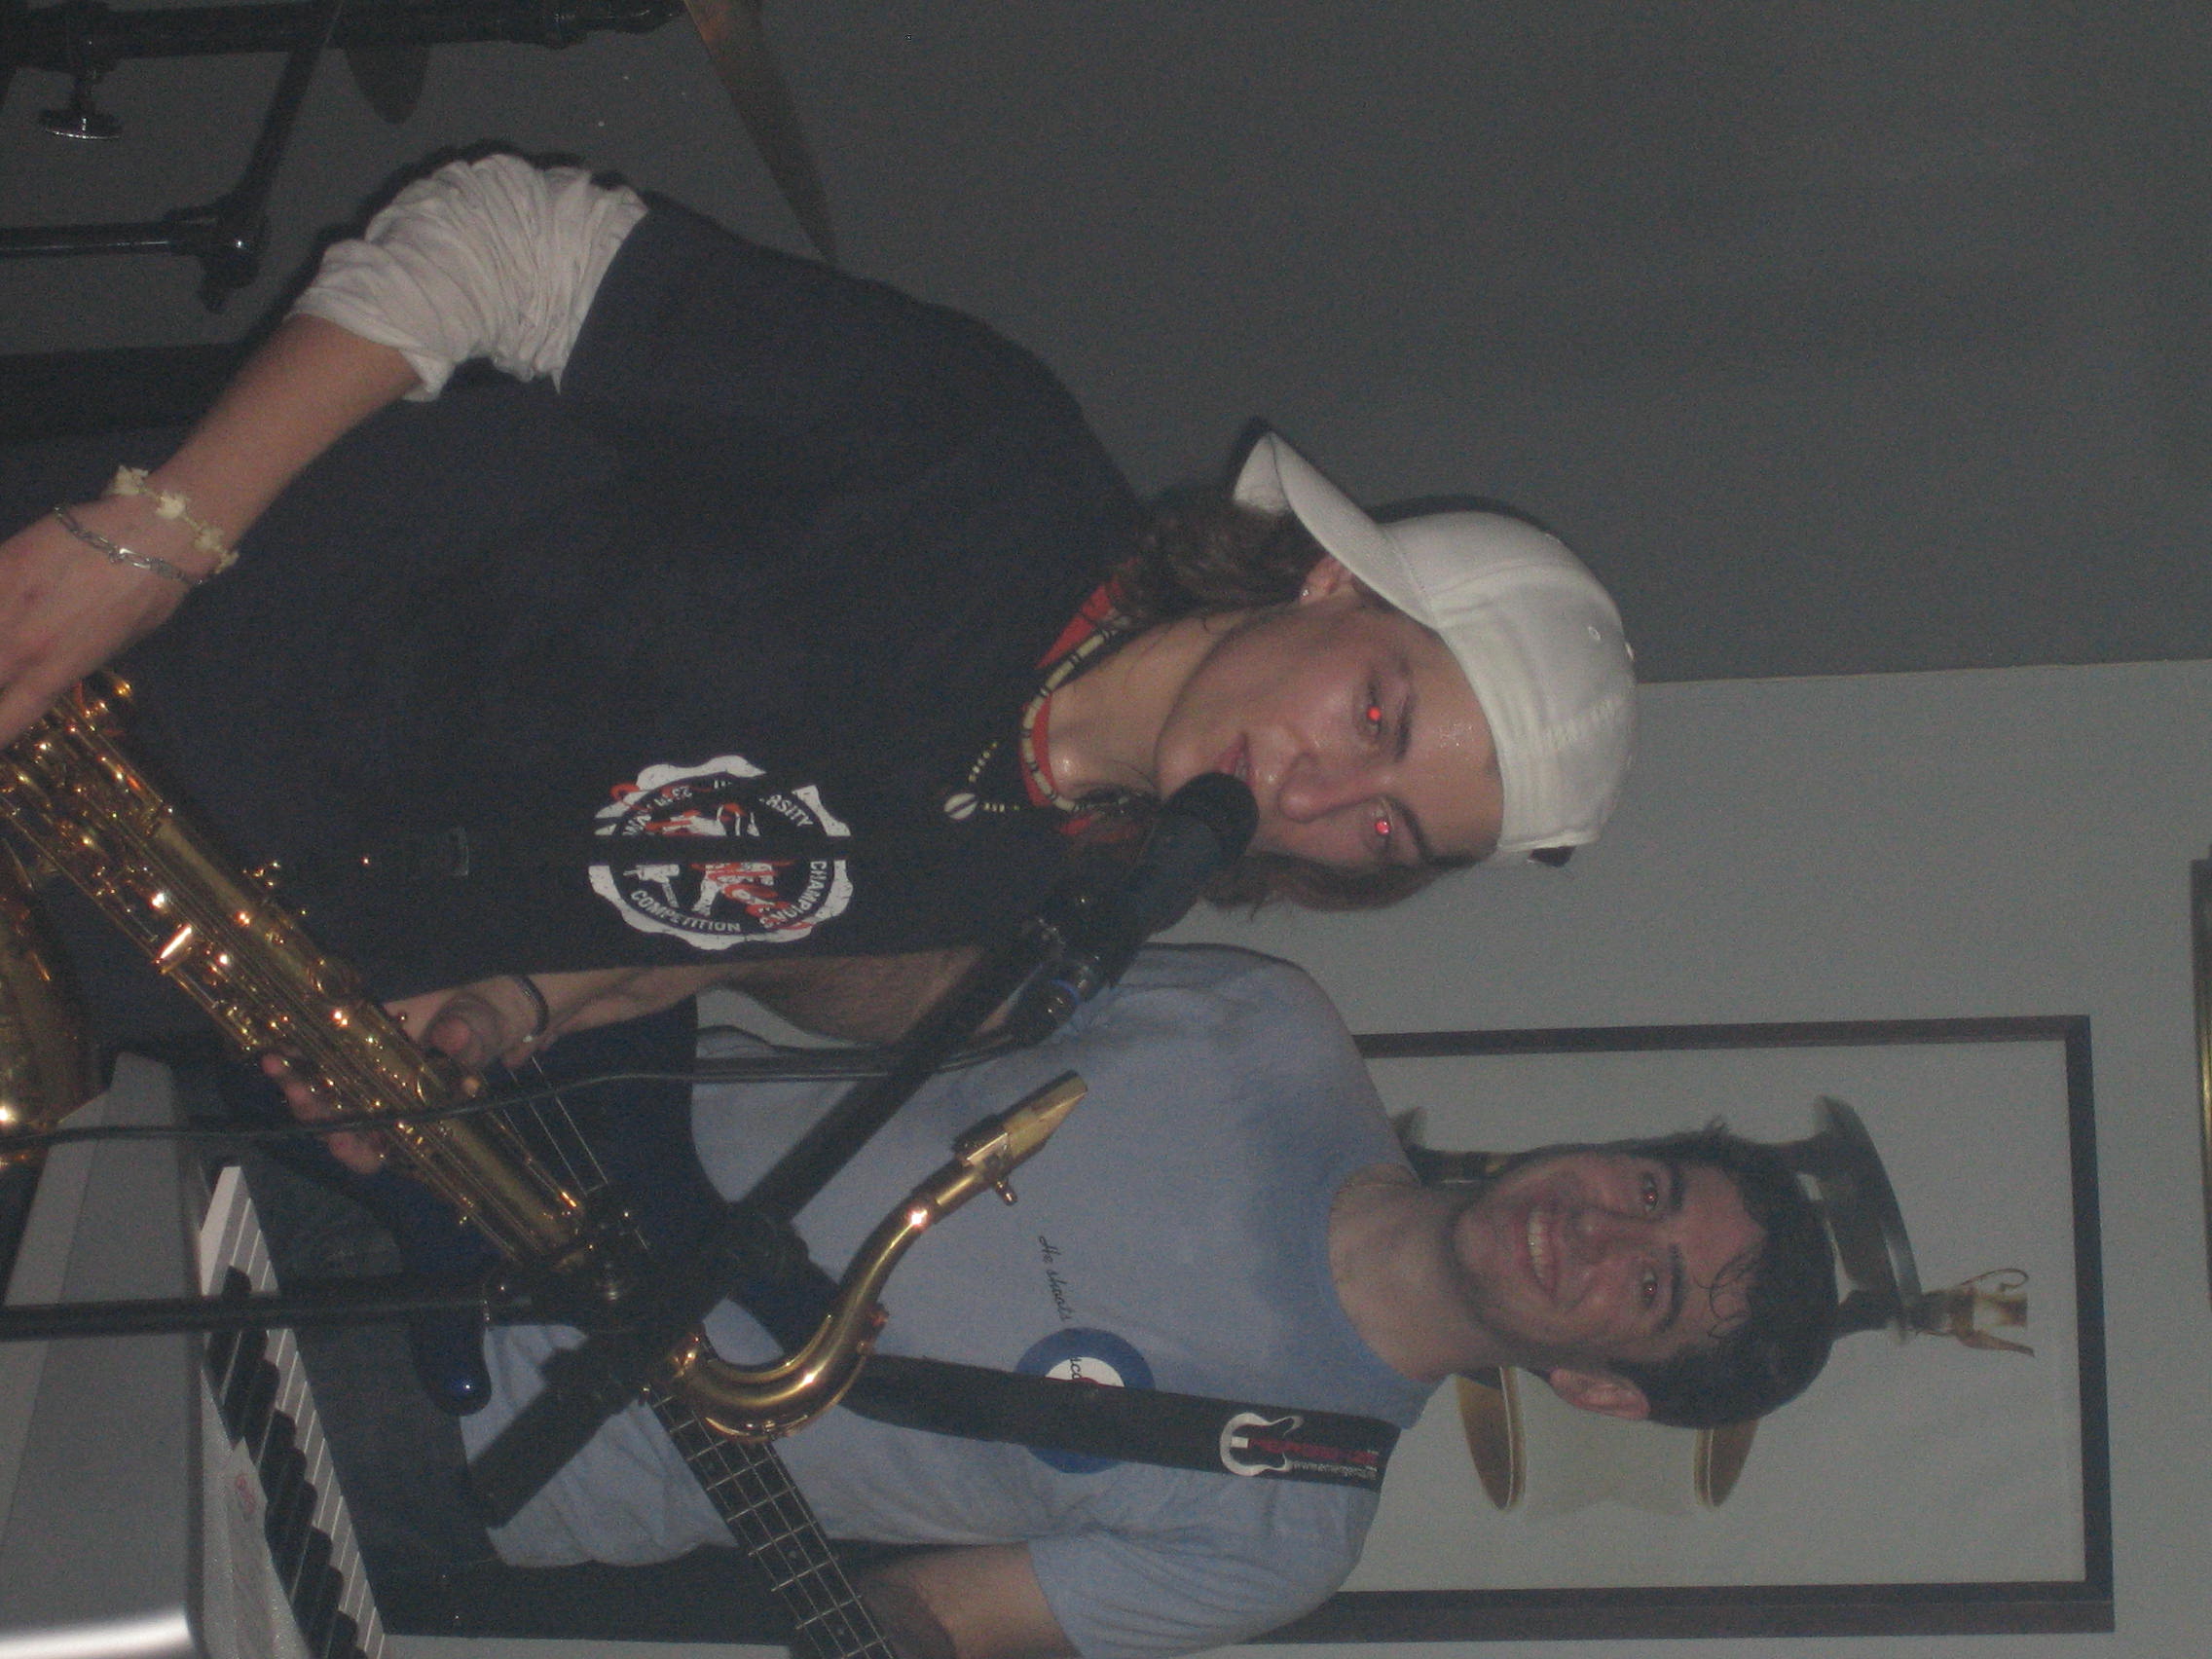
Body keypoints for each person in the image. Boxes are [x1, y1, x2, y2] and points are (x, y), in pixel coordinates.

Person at [0, 152, 1636, 1078]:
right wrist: (163, 532)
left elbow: (682, 931)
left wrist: (521, 1001)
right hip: (128, 655)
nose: (1330, 796)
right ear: (1331, 578)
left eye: (1390, 833)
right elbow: (511, 242)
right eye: (1379, 716)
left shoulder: (1043, 903)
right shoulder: (981, 458)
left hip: (163, 942)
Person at [396, 944, 1835, 1659]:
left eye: (1650, 1284)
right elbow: (906, 988)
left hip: (476, 1449)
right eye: (1650, 1187)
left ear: (1601, 1388)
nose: (1596, 1227)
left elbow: (933, 1611)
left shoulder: (1287, 1531)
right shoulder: (1270, 1029)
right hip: (485, 1130)